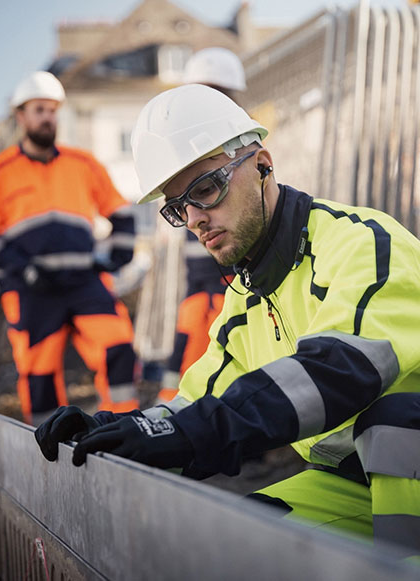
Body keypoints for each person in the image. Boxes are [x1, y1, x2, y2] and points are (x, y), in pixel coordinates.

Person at [34, 84, 420, 578]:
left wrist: (192, 433)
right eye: (179, 208)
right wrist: (121, 430)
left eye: (205, 188)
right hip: (375, 480)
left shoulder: (359, 243)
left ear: (263, 165)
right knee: (244, 540)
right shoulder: (246, 301)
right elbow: (201, 401)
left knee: (401, 425)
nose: (195, 217)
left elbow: (340, 371)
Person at [0, 71, 138, 425]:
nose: (47, 117)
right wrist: (21, 268)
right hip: (31, 288)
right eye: (39, 109)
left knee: (118, 347)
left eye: (53, 110)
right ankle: (50, 446)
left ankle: (127, 431)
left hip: (84, 281)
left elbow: (121, 211)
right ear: (21, 117)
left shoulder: (83, 164)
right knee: (38, 372)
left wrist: (119, 254)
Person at [158, 47, 247, 401]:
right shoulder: (178, 145)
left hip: (236, 270)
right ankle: (175, 411)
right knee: (191, 341)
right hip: (199, 273)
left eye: (217, 92)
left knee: (233, 343)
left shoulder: (244, 142)